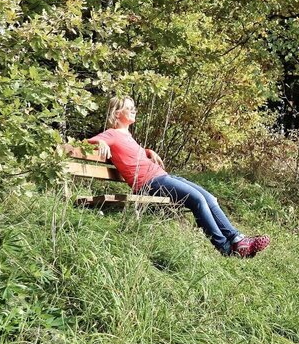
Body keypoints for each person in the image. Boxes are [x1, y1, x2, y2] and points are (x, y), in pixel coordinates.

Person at [86, 95, 270, 258]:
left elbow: (131, 153)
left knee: (209, 198)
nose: (134, 110)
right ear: (117, 113)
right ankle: (226, 248)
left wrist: (148, 151)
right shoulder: (112, 134)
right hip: (149, 183)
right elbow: (86, 143)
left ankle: (237, 239)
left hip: (161, 177)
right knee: (197, 200)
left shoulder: (126, 135)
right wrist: (100, 142)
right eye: (129, 108)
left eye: (133, 107)